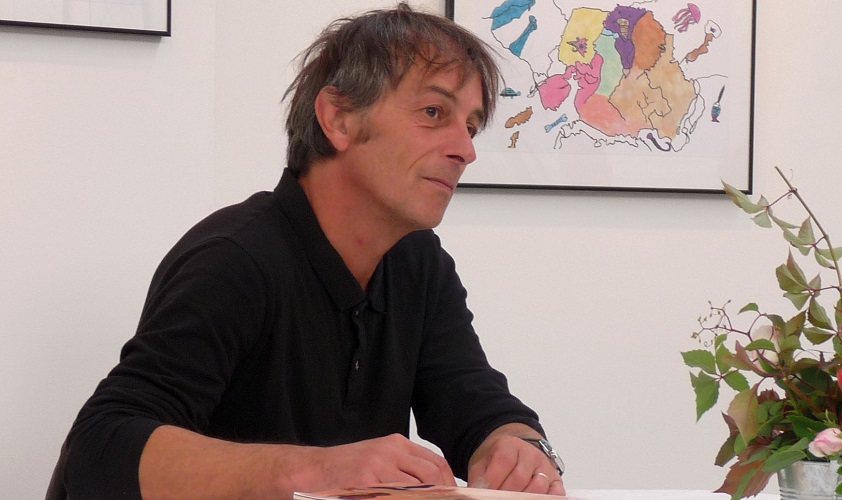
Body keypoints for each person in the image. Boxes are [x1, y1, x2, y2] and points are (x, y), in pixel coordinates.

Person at [60, 3, 565, 498]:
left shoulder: (418, 262)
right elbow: (98, 450)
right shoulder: (234, 259)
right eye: (434, 113)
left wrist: (517, 447)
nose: (466, 150)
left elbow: (471, 402)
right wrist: (311, 469)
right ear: (338, 118)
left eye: (471, 126)